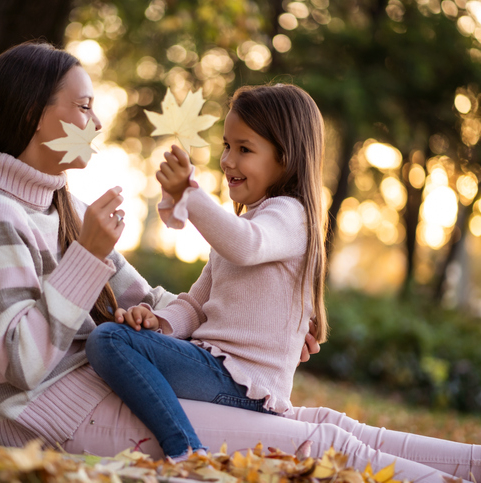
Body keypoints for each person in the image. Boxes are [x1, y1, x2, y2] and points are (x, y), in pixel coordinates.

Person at [0, 40, 481, 483]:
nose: (97, 124)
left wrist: (256, 321)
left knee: (325, 424)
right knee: (321, 449)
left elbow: (146, 299)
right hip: (62, 419)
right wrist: (88, 258)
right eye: (85, 107)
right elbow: (21, 361)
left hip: (108, 391)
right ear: (33, 115)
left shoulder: (58, 205)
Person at [85, 83, 327, 461]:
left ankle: (185, 450)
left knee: (108, 341)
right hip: (214, 367)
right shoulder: (242, 226)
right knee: (118, 338)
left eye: (244, 149)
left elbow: (247, 244)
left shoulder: (290, 217)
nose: (228, 160)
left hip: (244, 384)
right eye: (227, 146)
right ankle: (185, 447)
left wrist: (189, 196)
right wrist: (157, 322)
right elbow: (197, 306)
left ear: (285, 157)